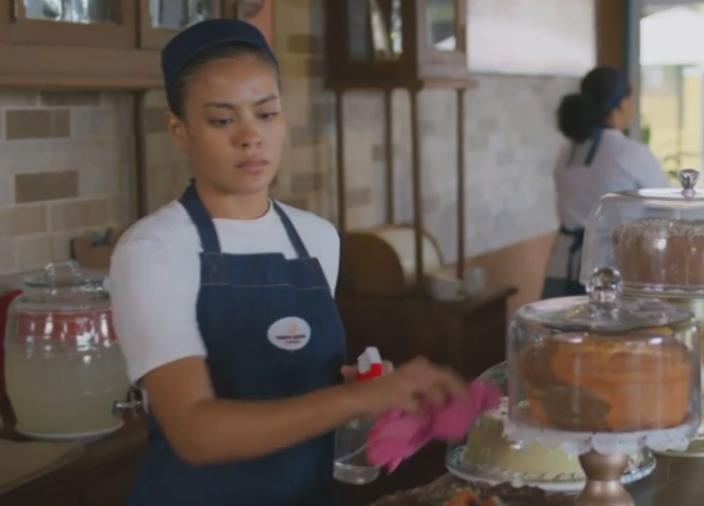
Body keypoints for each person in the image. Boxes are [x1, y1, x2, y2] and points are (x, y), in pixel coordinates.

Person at [109, 20, 469, 506]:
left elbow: (296, 379)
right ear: (180, 131)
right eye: (221, 120)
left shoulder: (317, 238)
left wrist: (366, 385)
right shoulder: (152, 250)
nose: (249, 136)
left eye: (266, 113)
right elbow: (194, 431)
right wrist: (356, 400)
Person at [541, 66, 670, 298]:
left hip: (563, 266)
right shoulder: (630, 153)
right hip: (613, 269)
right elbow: (668, 209)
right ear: (622, 103)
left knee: (563, 331)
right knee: (609, 332)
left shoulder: (568, 151)